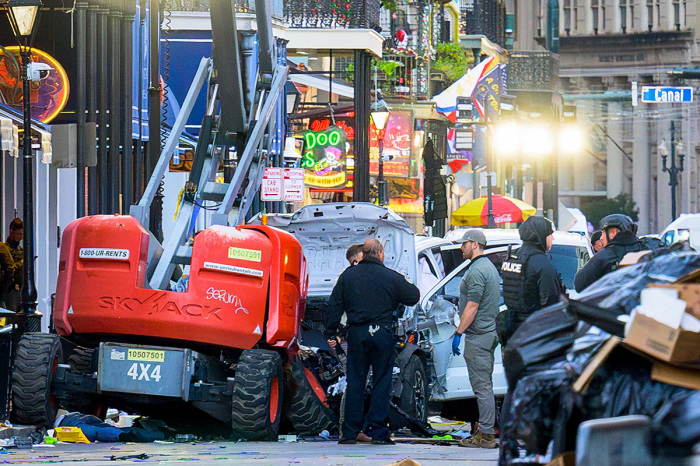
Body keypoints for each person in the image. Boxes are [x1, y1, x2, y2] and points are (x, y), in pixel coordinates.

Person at [325, 239, 420, 445]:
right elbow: (413, 296)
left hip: (357, 334)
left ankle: (350, 433)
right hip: (382, 333)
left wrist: (330, 332)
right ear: (380, 253)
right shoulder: (390, 276)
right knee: (381, 382)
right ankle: (378, 433)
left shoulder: (347, 276)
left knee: (355, 383)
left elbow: (334, 305)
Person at [498, 216, 562, 464]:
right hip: (534, 336)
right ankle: (538, 447)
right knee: (541, 392)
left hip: (512, 332)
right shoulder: (540, 264)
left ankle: (507, 445)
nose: (552, 239)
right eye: (550, 234)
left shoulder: (512, 258)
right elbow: (552, 306)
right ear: (538, 235)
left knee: (514, 391)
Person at [450, 229, 500, 449]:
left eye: (464, 244)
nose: (461, 248)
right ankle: (485, 431)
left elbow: (472, 305)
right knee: (484, 385)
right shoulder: (487, 267)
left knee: (482, 387)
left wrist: (458, 332)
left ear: (474, 244)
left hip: (479, 335)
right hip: (487, 333)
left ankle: (487, 435)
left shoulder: (477, 270)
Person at [574, 214, 643, 292]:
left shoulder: (603, 257)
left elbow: (579, 285)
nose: (601, 238)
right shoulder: (647, 250)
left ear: (613, 233)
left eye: (603, 232)